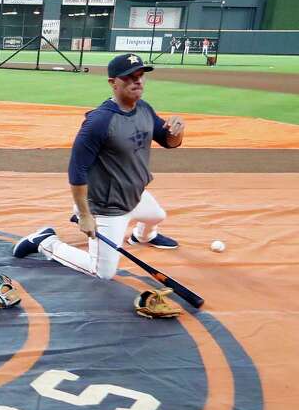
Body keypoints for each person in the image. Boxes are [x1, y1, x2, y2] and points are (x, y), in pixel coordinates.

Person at [12, 53, 184, 280]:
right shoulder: (99, 122)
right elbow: (77, 170)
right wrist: (85, 215)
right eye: (129, 77)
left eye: (140, 76)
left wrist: (178, 130)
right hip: (107, 207)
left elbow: (169, 142)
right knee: (102, 272)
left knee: (157, 215)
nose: (138, 81)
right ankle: (46, 242)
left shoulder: (144, 109)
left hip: (136, 195)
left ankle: (142, 236)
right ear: (113, 83)